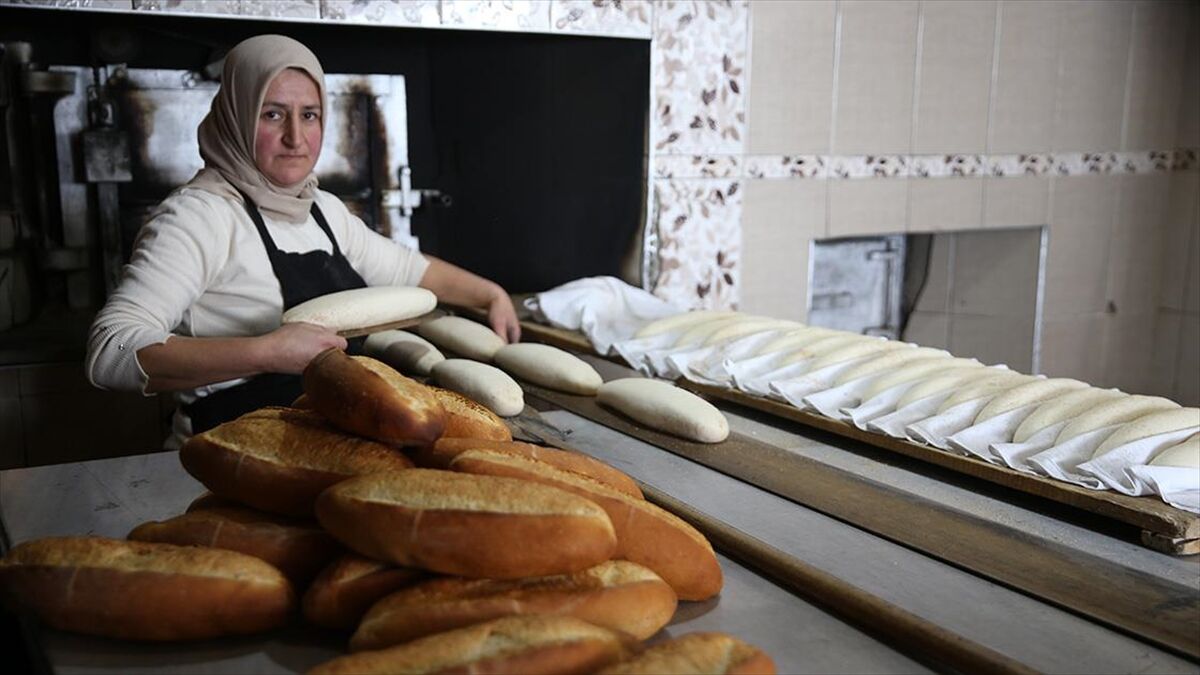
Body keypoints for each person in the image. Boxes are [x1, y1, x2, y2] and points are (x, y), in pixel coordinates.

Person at [85, 34, 520, 449]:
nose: (296, 137)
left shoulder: (320, 209)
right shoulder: (199, 216)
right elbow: (111, 352)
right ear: (236, 116)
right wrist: (265, 352)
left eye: (309, 114)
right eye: (272, 114)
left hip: (323, 434)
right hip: (226, 449)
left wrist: (491, 294)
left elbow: (410, 270)